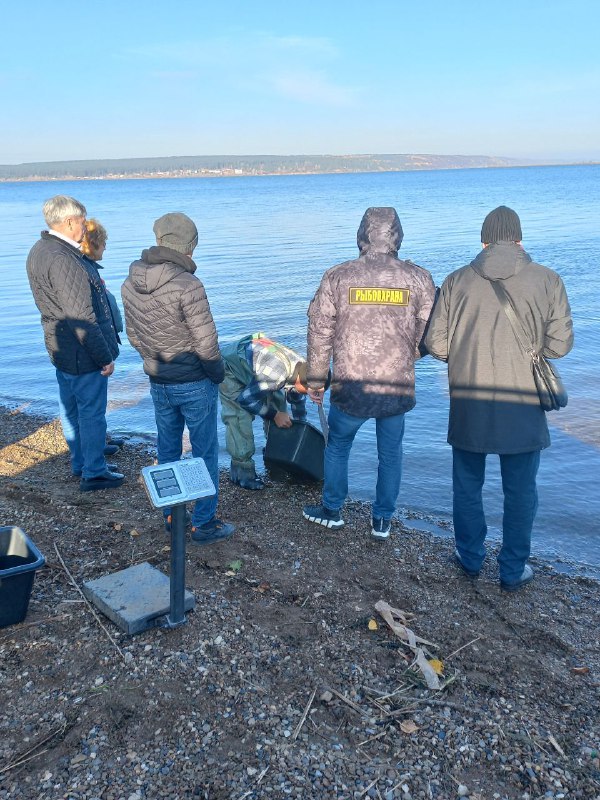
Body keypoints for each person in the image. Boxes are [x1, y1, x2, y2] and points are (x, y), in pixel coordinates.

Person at [425, 206, 574, 591]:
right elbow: (560, 346)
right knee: (521, 491)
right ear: (519, 238)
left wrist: (464, 353)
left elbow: (435, 344)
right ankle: (512, 569)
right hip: (522, 401)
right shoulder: (548, 280)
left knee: (467, 486)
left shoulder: (456, 281)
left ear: (484, 240)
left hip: (469, 402)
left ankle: (470, 558)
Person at [302, 207, 436, 539]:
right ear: (397, 236)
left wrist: (317, 380)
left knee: (337, 446)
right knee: (390, 453)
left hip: (350, 385)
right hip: (395, 385)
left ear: (362, 234)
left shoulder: (338, 276)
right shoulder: (418, 278)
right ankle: (382, 521)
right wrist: (407, 357)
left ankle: (332, 510)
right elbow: (431, 333)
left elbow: (320, 332)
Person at [121, 212, 234, 545]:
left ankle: (171, 514)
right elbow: (207, 344)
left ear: (159, 241)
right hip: (194, 382)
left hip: (159, 379)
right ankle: (203, 522)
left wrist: (153, 363)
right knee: (204, 453)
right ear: (190, 246)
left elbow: (134, 335)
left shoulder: (130, 282)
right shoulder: (189, 284)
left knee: (168, 447)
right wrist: (217, 375)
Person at [26, 195, 123, 491]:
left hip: (61, 348)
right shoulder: (63, 259)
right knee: (90, 411)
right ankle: (93, 471)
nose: (85, 226)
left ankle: (81, 461)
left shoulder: (39, 249)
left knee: (70, 407)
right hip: (81, 352)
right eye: (82, 221)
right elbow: (80, 317)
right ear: (69, 222)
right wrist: (104, 357)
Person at [220, 333, 308, 489]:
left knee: (279, 403)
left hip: (260, 368)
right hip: (230, 369)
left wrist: (301, 429)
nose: (313, 395)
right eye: (313, 391)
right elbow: (245, 400)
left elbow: (298, 398)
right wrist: (274, 415)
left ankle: (274, 455)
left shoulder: (304, 368)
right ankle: (242, 472)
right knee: (240, 417)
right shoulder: (276, 375)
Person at [80, 218, 126, 456]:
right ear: (92, 243)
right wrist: (103, 354)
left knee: (94, 402)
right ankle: (94, 456)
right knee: (93, 404)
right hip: (94, 348)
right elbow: (89, 315)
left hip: (99, 343)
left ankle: (99, 440)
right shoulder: (83, 270)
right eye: (103, 242)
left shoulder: (89, 269)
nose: (106, 247)